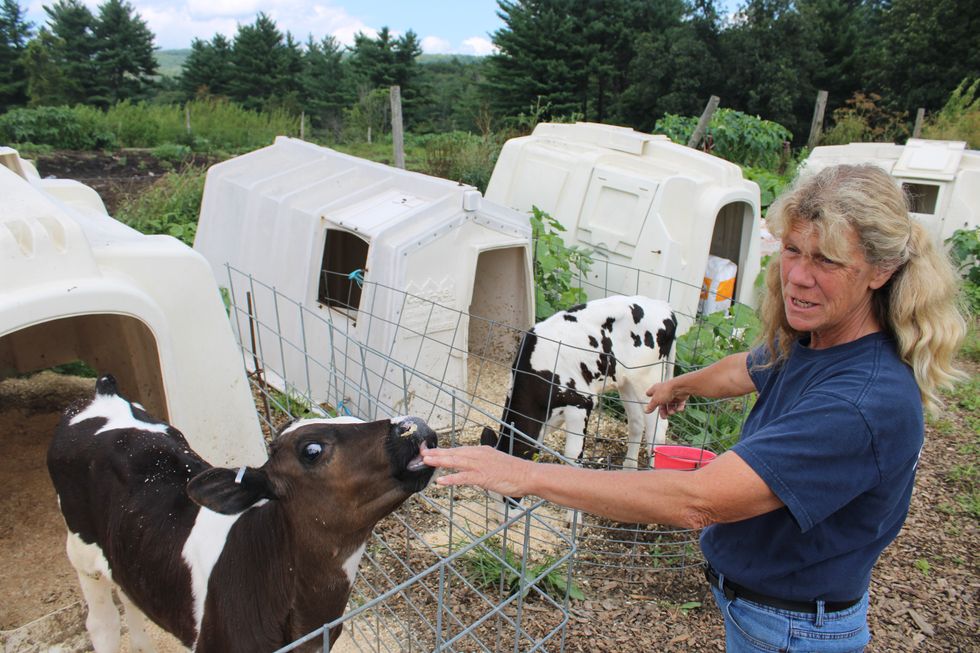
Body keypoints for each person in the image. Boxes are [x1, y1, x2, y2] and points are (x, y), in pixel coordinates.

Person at [420, 164, 966, 651]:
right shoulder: (822, 339)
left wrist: (526, 474)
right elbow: (749, 366)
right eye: (792, 250)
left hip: (794, 631)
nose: (798, 275)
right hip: (770, 609)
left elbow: (697, 501)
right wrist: (680, 384)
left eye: (827, 259)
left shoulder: (861, 402)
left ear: (881, 269)